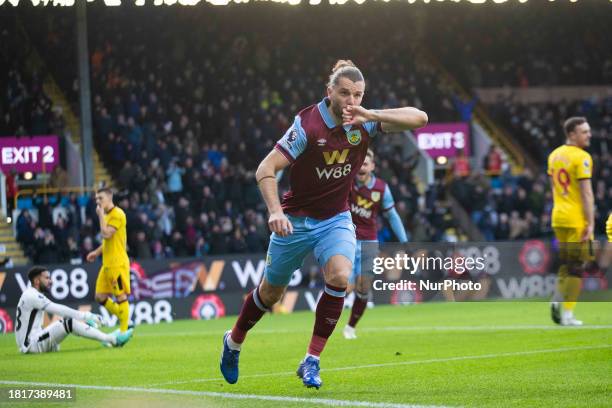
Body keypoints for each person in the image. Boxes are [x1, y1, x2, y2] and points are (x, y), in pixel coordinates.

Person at [219, 59, 428, 389]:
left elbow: (420, 118)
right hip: (296, 220)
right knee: (270, 293)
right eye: (344, 93)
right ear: (329, 91)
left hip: (336, 219)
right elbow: (265, 169)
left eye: (358, 95)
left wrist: (372, 115)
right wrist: (275, 211)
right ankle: (233, 342)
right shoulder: (307, 126)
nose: (351, 102)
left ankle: (312, 360)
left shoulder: (365, 122)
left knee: (340, 277)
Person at [343, 148, 408, 340]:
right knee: (344, 284)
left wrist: (404, 241)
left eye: (365, 163)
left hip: (369, 243)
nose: (361, 167)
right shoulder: (345, 182)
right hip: (345, 239)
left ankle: (350, 327)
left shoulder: (381, 188)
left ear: (372, 166)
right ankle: (326, 323)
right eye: (359, 163)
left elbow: (392, 216)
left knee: (363, 288)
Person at [15, 266, 132, 354]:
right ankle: (112, 339)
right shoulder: (32, 295)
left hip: (31, 342)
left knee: (66, 321)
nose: (50, 281)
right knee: (69, 323)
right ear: (36, 281)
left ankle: (104, 337)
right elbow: (58, 309)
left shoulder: (30, 294)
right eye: (46, 278)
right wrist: (86, 315)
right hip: (31, 345)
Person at [547, 117, 594, 326]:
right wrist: (590, 222)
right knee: (578, 266)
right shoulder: (582, 157)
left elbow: (552, 188)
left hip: (558, 215)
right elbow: (586, 193)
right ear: (572, 135)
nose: (588, 135)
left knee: (568, 263)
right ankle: (567, 313)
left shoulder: (554, 155)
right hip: (576, 218)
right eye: (584, 132)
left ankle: (557, 299)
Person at [86, 188, 132, 335]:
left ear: (109, 197)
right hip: (107, 264)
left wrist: (100, 216)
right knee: (100, 296)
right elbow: (108, 241)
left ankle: (124, 331)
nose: (98, 201)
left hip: (117, 264)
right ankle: (125, 318)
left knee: (120, 296)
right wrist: (96, 252)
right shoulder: (108, 215)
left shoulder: (117, 214)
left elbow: (106, 234)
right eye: (96, 199)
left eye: (101, 198)